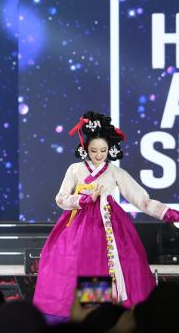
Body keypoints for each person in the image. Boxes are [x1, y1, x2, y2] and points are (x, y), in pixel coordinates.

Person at [33, 111, 179, 320]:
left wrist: (171, 213)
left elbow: (142, 200)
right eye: (94, 150)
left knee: (107, 263)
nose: (99, 155)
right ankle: (91, 311)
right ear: (86, 149)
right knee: (85, 263)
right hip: (80, 227)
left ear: (109, 149)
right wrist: (84, 199)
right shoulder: (75, 170)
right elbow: (61, 198)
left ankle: (105, 312)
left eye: (103, 150)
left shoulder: (114, 172)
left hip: (110, 226)